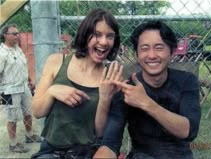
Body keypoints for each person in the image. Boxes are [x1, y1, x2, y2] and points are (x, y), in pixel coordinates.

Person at [94, 20, 201, 159]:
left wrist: (146, 103)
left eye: (159, 48)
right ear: (137, 55)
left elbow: (189, 131)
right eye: (144, 48)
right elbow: (110, 144)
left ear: (172, 52)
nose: (151, 55)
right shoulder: (127, 89)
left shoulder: (187, 81)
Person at [31, 8, 123, 159]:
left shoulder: (111, 77)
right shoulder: (57, 61)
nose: (104, 42)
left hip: (88, 153)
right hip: (51, 151)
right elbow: (37, 111)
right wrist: (52, 91)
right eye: (97, 34)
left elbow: (100, 134)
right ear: (85, 34)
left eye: (110, 36)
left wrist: (105, 99)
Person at [0, 24, 41, 153]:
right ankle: (13, 144)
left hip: (24, 87)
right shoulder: (2, 53)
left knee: (28, 113)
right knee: (12, 118)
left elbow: (22, 67)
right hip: (10, 90)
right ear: (5, 35)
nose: (17, 36)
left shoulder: (18, 49)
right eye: (14, 34)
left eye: (18, 33)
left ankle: (29, 136)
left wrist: (29, 80)